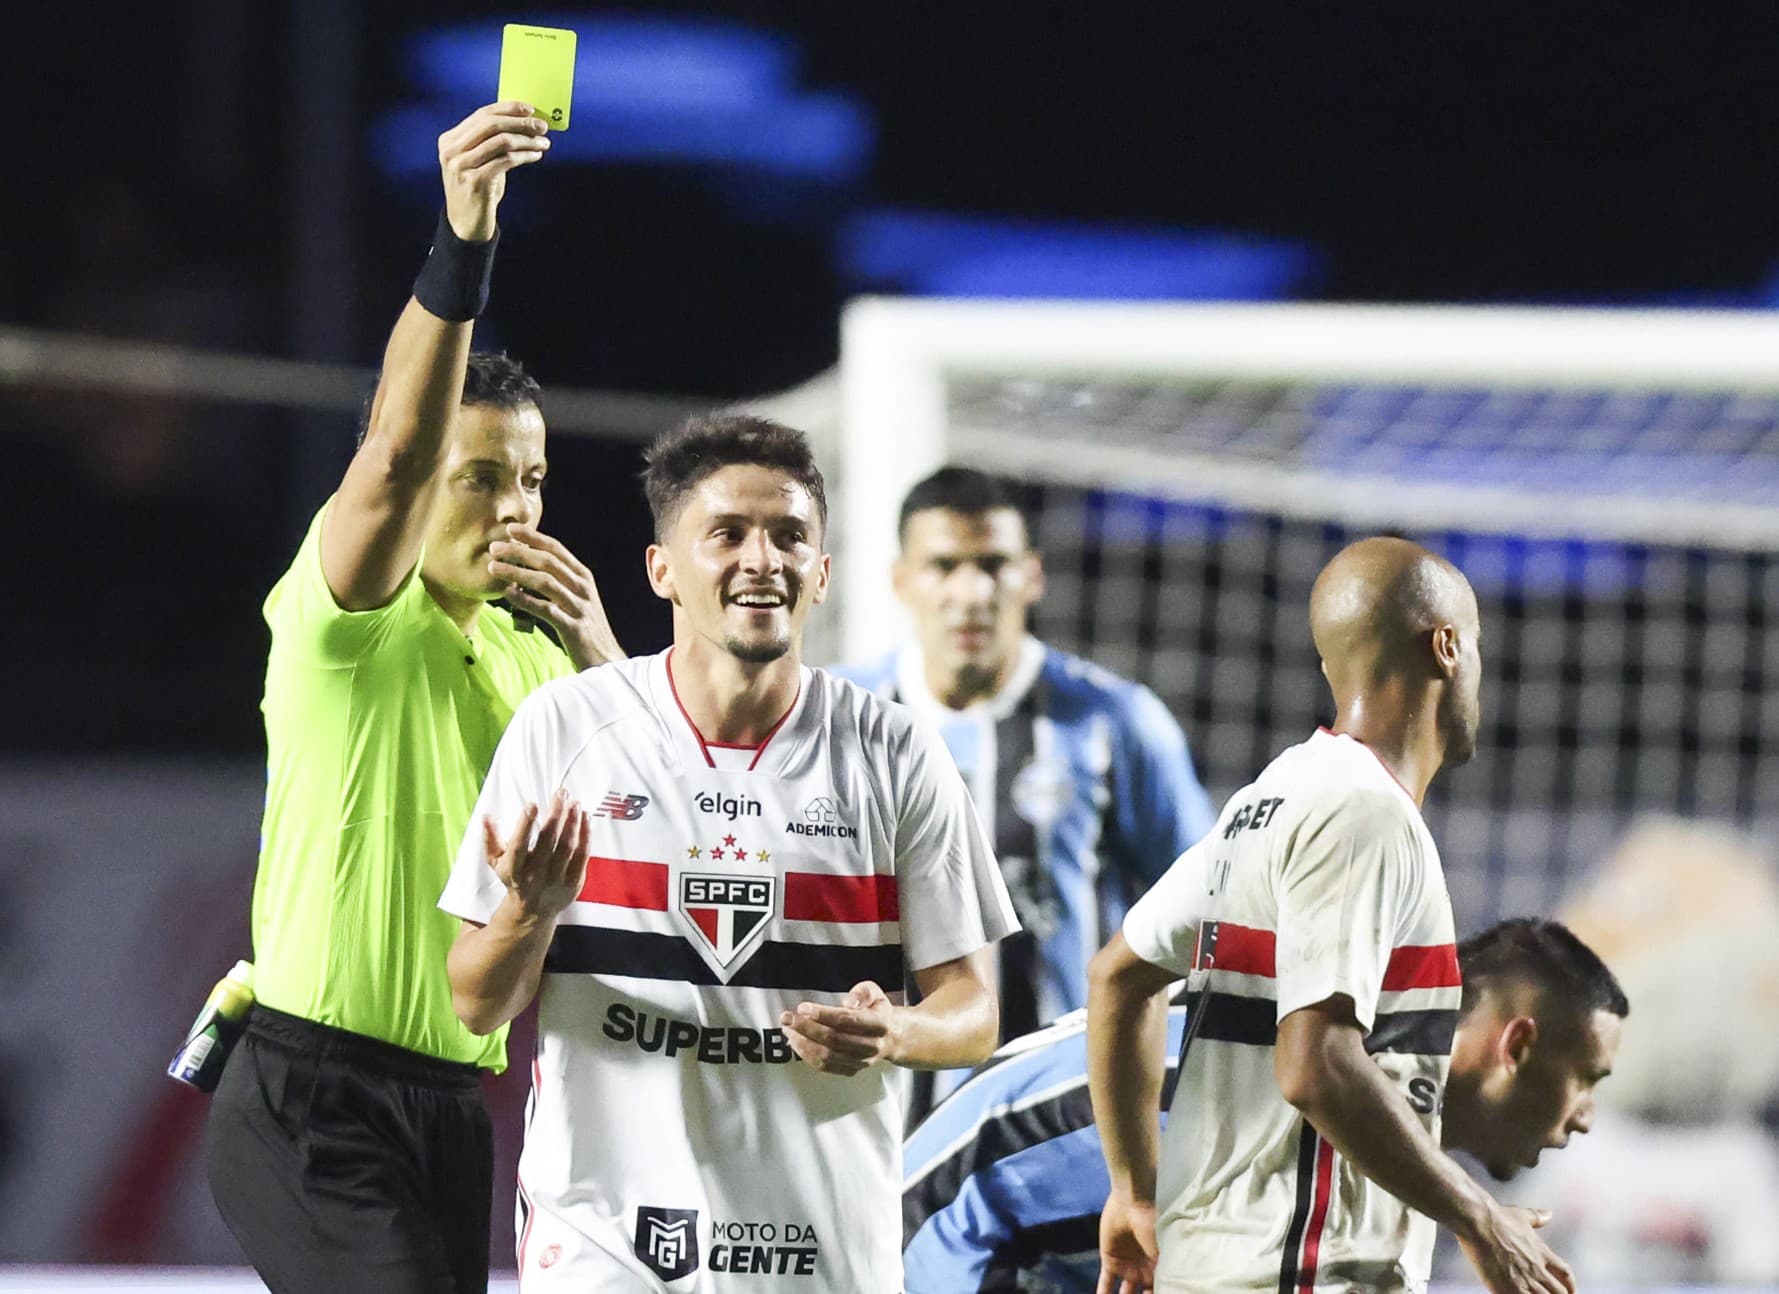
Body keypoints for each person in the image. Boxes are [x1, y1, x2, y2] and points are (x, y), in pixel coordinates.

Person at [440, 414, 1021, 1289]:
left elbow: (972, 1011)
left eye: (790, 536)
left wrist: (893, 1029)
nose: (762, 559)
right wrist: (526, 910)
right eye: (727, 534)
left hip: (819, 1249)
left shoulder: (895, 752)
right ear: (661, 570)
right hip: (605, 1243)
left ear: (820, 574)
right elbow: (477, 1004)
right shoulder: (565, 728)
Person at [206, 102, 622, 1294]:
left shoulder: (544, 666)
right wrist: (464, 236)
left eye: (533, 480)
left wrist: (599, 646)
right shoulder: (344, 620)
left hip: (452, 1108)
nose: (517, 507)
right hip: (308, 1094)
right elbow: (394, 449)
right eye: (481, 475)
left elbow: (680, 804)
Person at [1089, 536, 1577, 1294]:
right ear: (1446, 647)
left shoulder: (1263, 803)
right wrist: (1479, 1218)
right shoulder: (1362, 814)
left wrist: (1133, 1190)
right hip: (1304, 1274)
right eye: (1475, 644)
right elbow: (1315, 1064)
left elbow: (1117, 976)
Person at [902, 919, 1627, 1293]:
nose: (1586, 1116)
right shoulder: (1321, 1081)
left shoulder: (1362, 1078)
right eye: (1586, 1077)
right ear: (1518, 1045)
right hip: (949, 1238)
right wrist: (1471, 1216)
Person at [835, 467, 1216, 1044]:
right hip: (879, 1099)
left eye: (993, 565)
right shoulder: (839, 720)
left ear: (1032, 576)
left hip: (1056, 1103)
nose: (972, 595)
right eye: (944, 567)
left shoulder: (1113, 722)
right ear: (901, 580)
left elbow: (1208, 907)